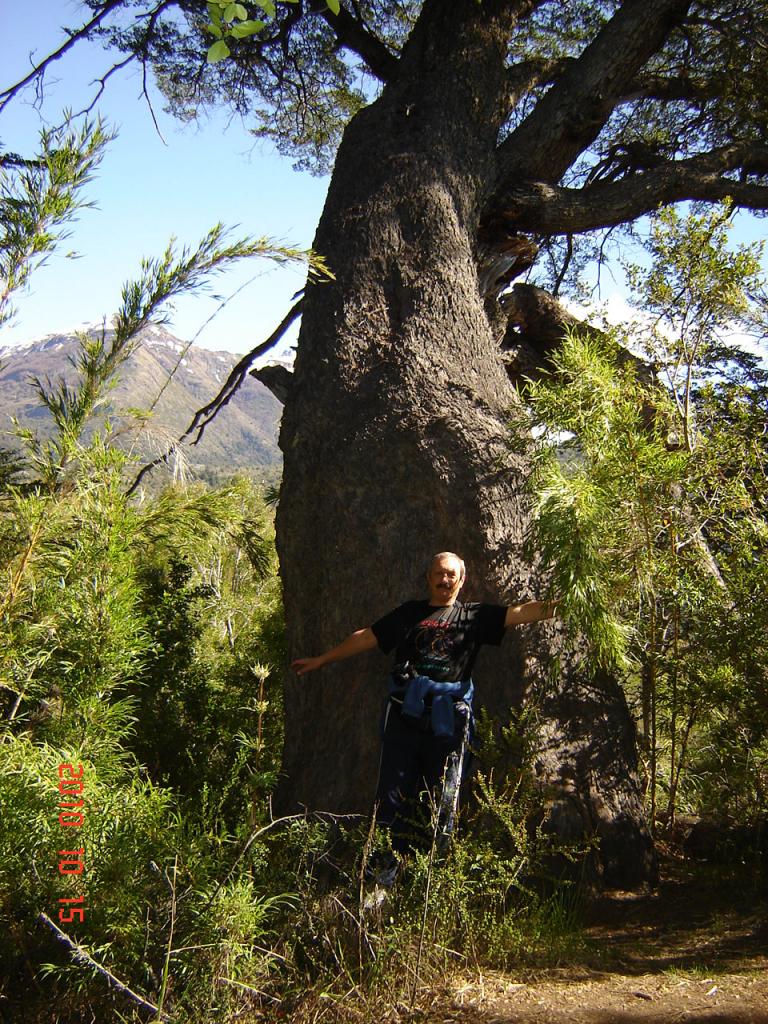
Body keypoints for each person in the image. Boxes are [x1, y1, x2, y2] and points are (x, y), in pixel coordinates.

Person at [292, 552, 557, 875]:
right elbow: (367, 637)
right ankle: (383, 874)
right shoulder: (409, 613)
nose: (445, 580)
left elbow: (519, 613)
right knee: (391, 794)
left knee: (444, 794)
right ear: (428, 577)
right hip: (405, 713)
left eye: (451, 575)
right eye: (439, 574)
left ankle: (433, 877)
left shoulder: (472, 616)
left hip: (450, 718)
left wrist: (568, 602)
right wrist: (323, 659)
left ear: (462, 580)